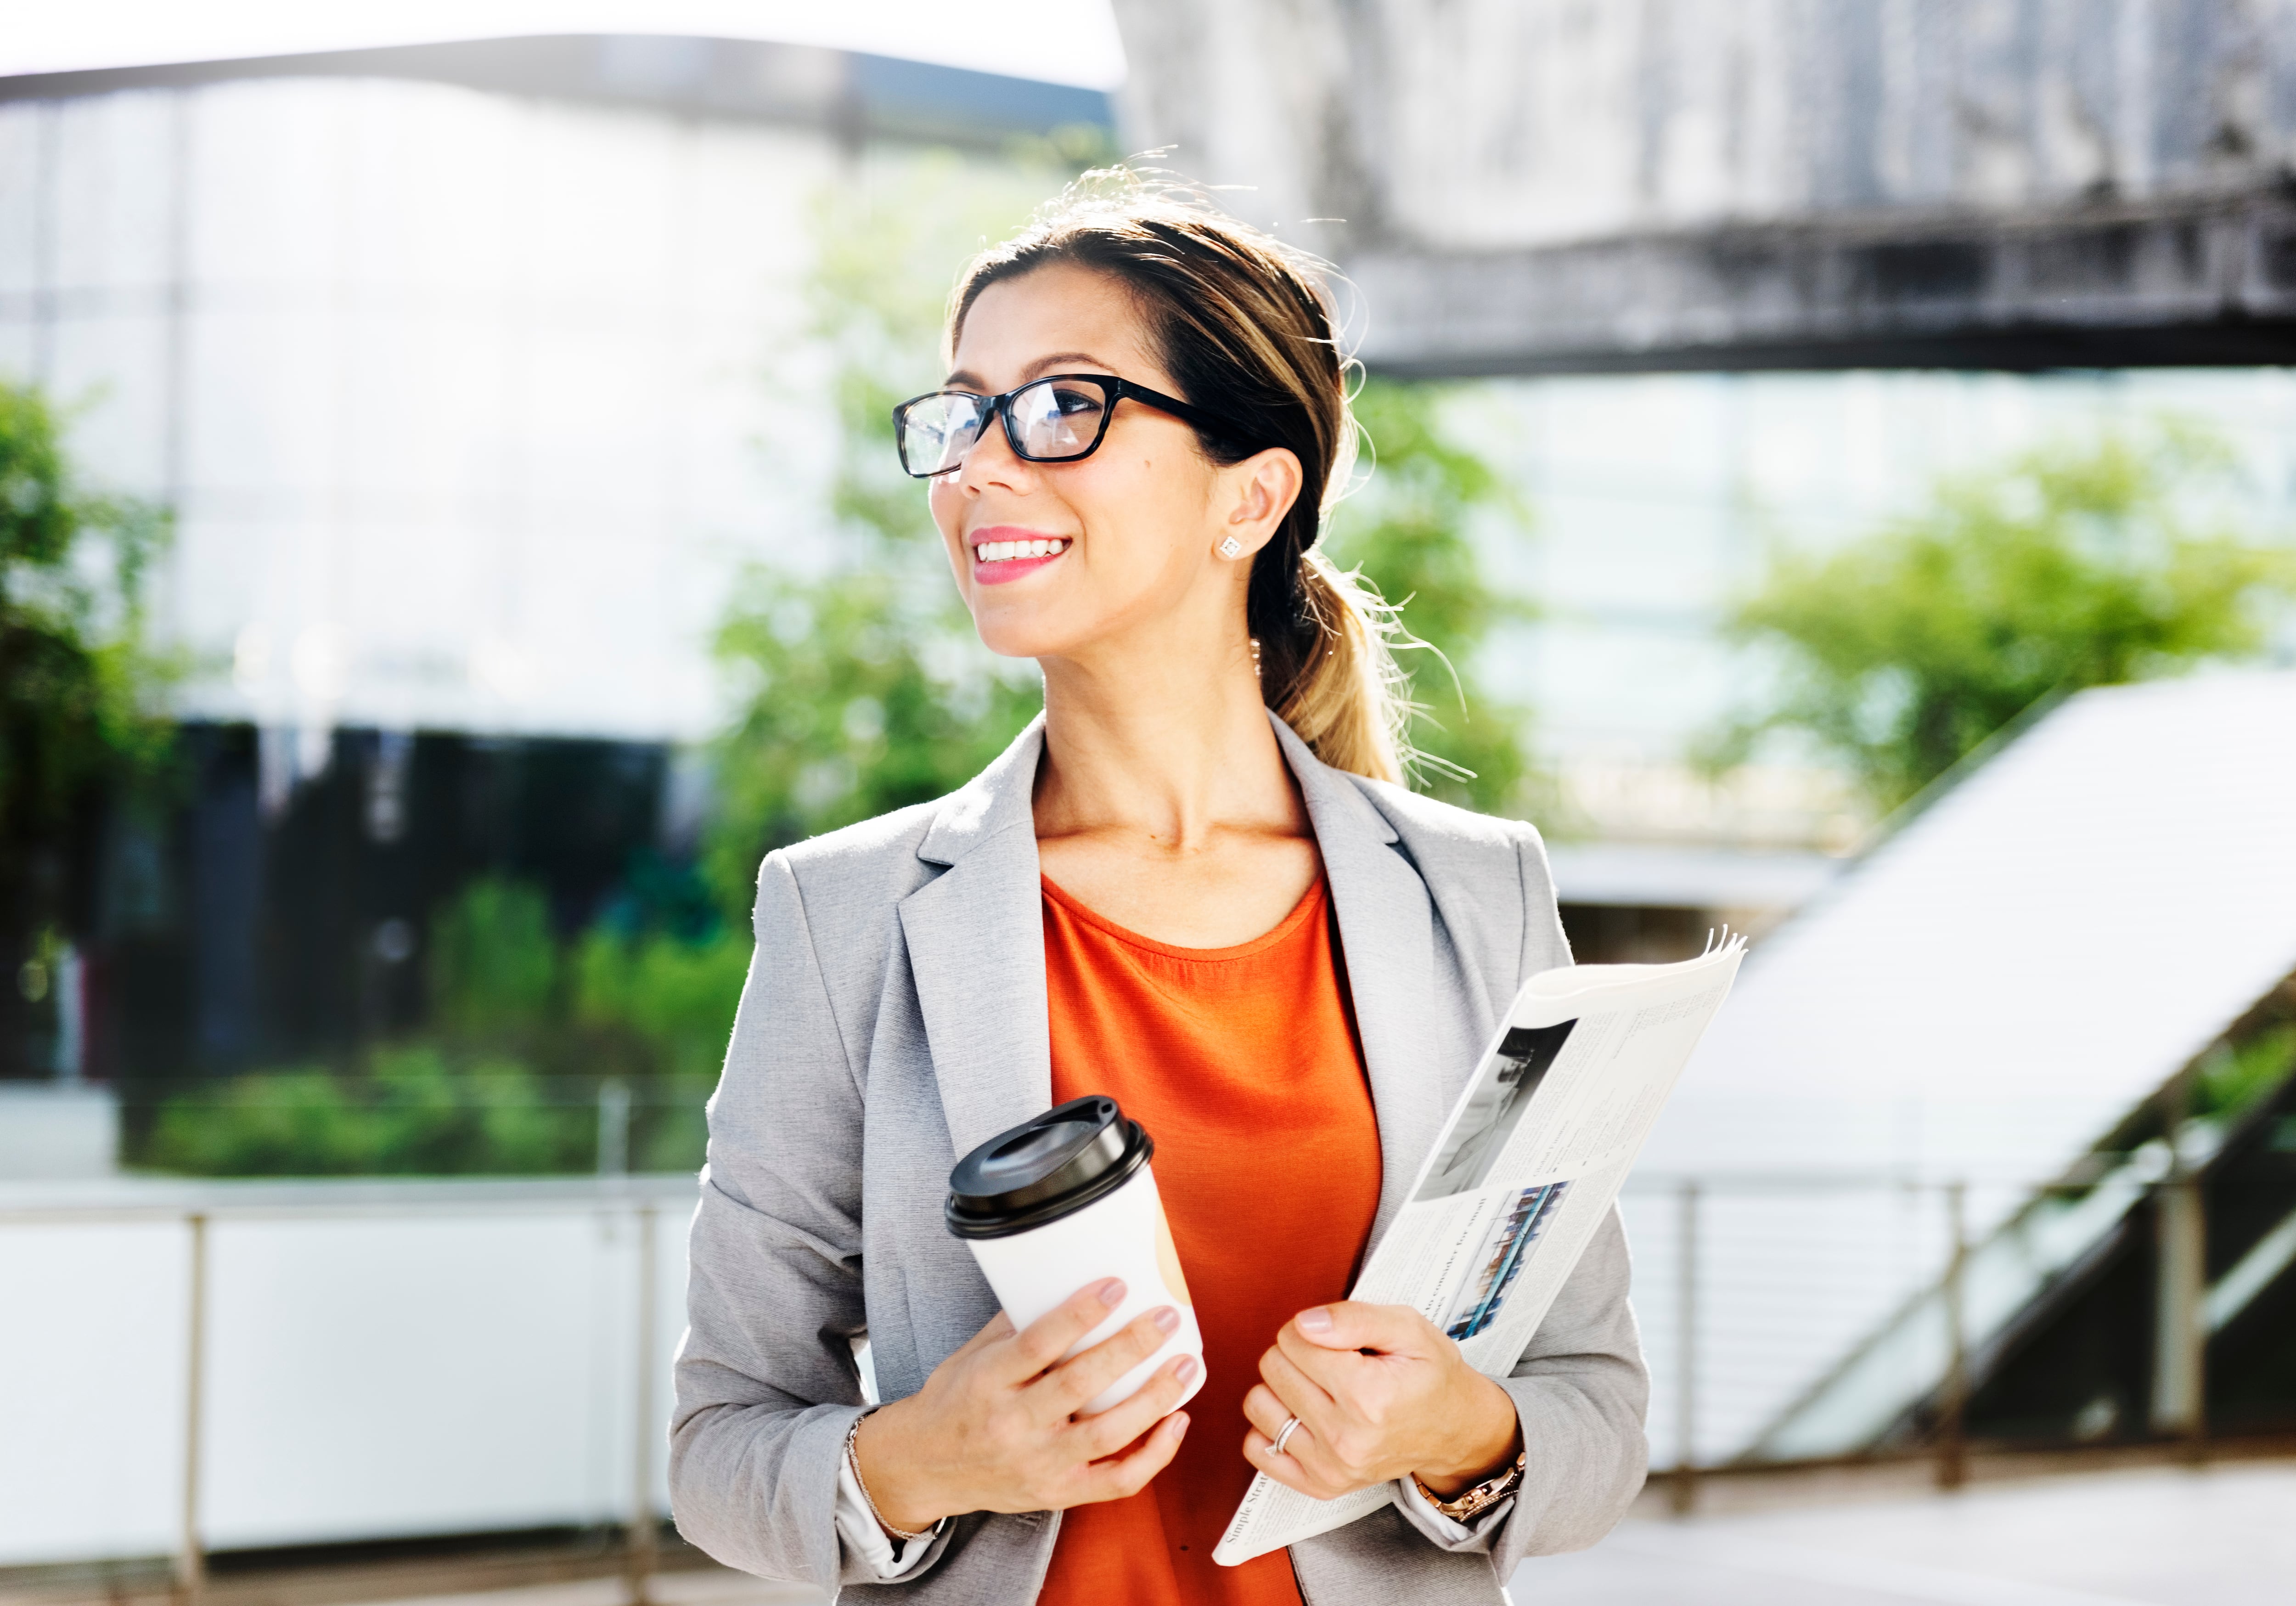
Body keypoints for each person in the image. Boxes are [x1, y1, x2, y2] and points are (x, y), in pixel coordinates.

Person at [669, 173, 1648, 1606]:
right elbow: (720, 1443)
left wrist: (1460, 1431)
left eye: (1063, 407)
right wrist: (928, 1455)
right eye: (964, 414)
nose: (980, 470)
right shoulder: (848, 917)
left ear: (1251, 494)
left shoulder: (1474, 895)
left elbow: (1598, 1409)